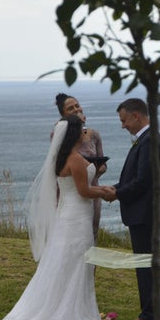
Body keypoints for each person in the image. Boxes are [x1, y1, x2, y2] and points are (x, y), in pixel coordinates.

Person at [0, 116, 112, 320]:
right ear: (73, 134)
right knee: (75, 262)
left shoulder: (60, 158)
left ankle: (63, 307)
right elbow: (84, 191)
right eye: (81, 131)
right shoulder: (75, 159)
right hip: (77, 216)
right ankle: (68, 313)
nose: (85, 134)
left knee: (65, 262)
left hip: (67, 214)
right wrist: (108, 192)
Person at [103, 98, 160, 320]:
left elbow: (142, 182)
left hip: (145, 213)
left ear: (136, 117)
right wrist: (116, 187)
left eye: (124, 120)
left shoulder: (150, 141)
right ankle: (148, 313)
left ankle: (150, 316)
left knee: (145, 264)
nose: (123, 126)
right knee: (144, 264)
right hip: (144, 212)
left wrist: (117, 193)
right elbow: (135, 178)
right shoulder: (147, 140)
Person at [54, 93, 106, 239]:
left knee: (91, 233)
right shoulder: (59, 135)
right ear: (63, 114)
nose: (77, 110)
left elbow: (102, 163)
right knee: (70, 234)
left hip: (92, 187)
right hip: (72, 191)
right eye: (71, 108)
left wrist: (98, 169)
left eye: (77, 105)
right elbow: (58, 164)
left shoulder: (94, 135)